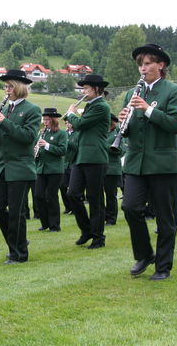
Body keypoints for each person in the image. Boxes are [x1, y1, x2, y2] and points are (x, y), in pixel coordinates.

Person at [118, 44, 177, 280]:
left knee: (166, 217)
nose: (142, 68)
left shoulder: (173, 90)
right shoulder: (131, 94)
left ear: (160, 65)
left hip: (164, 163)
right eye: (140, 64)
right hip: (137, 162)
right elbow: (131, 130)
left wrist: (147, 110)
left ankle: (163, 266)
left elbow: (175, 124)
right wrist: (123, 124)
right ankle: (145, 254)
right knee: (130, 207)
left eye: (147, 63)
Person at [0, 69, 42, 264]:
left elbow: (28, 137)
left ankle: (19, 254)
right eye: (6, 86)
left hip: (20, 167)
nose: (6, 89)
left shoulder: (32, 110)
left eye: (10, 86)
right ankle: (18, 241)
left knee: (16, 212)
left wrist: (5, 123)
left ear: (19, 87)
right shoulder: (5, 110)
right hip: (1, 167)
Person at [64, 74, 110, 249]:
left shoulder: (102, 106)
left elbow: (81, 124)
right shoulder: (91, 106)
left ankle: (98, 237)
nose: (83, 91)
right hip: (82, 157)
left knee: (95, 198)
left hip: (95, 157)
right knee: (72, 194)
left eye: (86, 88)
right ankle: (87, 230)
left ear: (96, 89)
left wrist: (70, 114)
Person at [34, 108, 67, 232]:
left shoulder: (61, 134)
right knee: (38, 196)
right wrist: (36, 151)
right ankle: (45, 223)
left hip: (55, 169)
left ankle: (54, 225)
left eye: (47, 119)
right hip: (41, 169)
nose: (45, 122)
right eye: (44, 119)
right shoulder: (42, 133)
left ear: (53, 120)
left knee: (51, 196)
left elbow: (62, 151)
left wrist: (47, 145)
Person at [105, 114, 124, 226]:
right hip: (100, 166)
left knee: (111, 195)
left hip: (111, 168)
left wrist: (105, 146)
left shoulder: (119, 132)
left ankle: (111, 218)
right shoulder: (102, 131)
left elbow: (121, 150)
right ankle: (103, 216)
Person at [59, 121, 77, 215]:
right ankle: (68, 207)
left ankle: (75, 208)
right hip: (65, 164)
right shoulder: (64, 133)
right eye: (66, 123)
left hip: (74, 163)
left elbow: (77, 147)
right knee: (62, 186)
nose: (67, 124)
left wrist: (68, 141)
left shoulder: (77, 134)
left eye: (69, 122)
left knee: (73, 188)